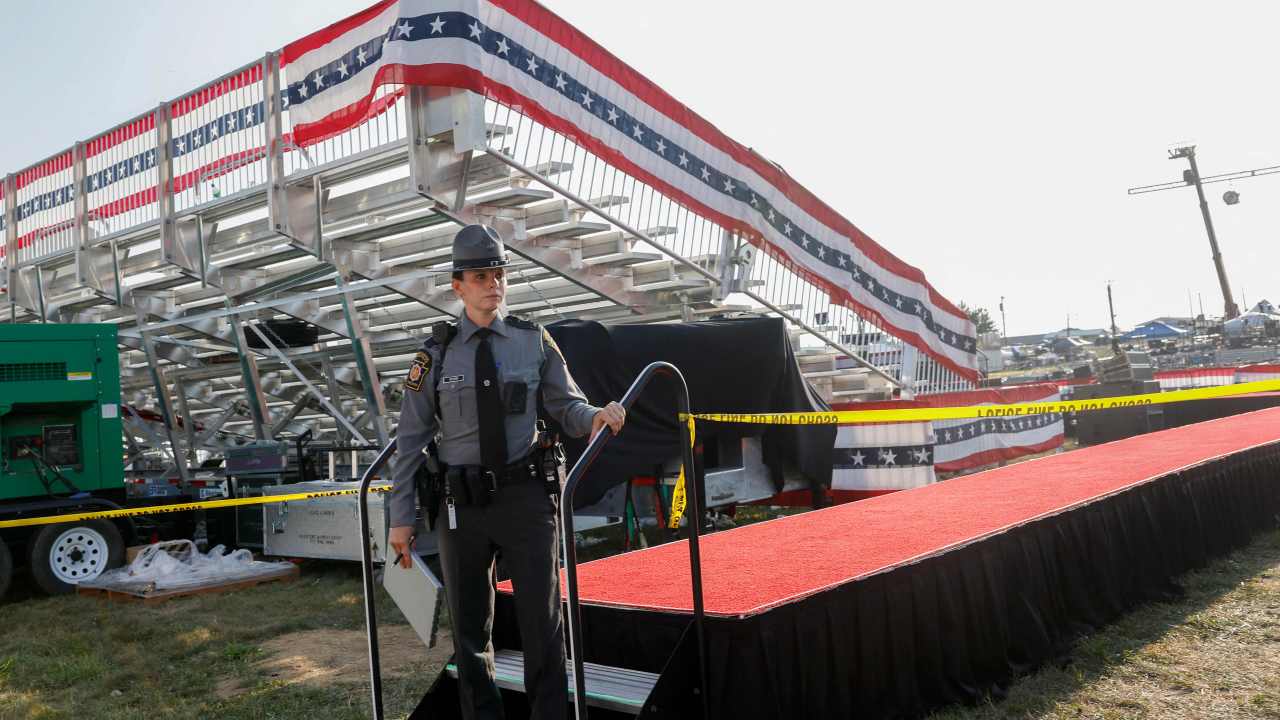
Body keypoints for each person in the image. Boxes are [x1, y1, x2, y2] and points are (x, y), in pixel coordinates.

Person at [388, 224, 625, 720]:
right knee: (471, 633)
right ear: (457, 285)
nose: (492, 283)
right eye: (480, 275)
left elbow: (569, 407)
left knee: (544, 624)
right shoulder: (432, 355)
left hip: (526, 500)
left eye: (498, 273)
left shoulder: (532, 340)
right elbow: (409, 440)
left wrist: (597, 416)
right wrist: (400, 518)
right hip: (462, 506)